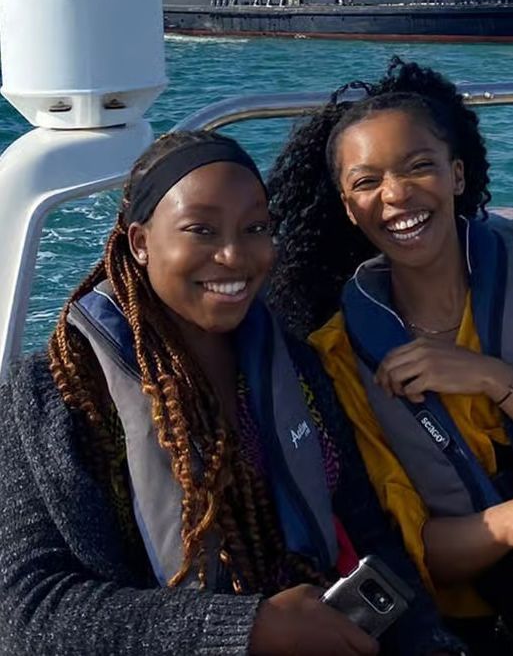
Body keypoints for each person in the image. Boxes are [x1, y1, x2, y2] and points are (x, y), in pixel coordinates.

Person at [0, 127, 461, 656]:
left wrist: (426, 639)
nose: (233, 256)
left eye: (254, 229)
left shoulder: (296, 365)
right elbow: (27, 610)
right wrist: (251, 628)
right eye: (201, 230)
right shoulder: (51, 396)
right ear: (141, 242)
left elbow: (366, 528)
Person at [266, 57, 513, 655]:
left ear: (457, 175)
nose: (397, 194)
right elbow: (419, 553)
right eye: (367, 181)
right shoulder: (343, 357)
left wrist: (491, 377)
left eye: (419, 167)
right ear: (349, 208)